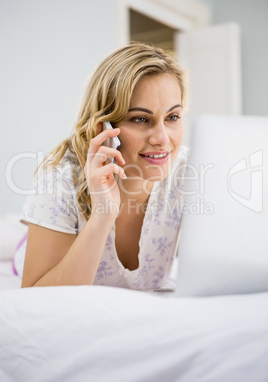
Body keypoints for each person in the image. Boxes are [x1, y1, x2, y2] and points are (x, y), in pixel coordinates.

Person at [19, 43, 189, 290]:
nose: (162, 139)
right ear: (103, 127)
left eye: (172, 117)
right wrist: (102, 215)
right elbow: (35, 298)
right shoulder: (61, 179)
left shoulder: (190, 172)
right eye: (140, 119)